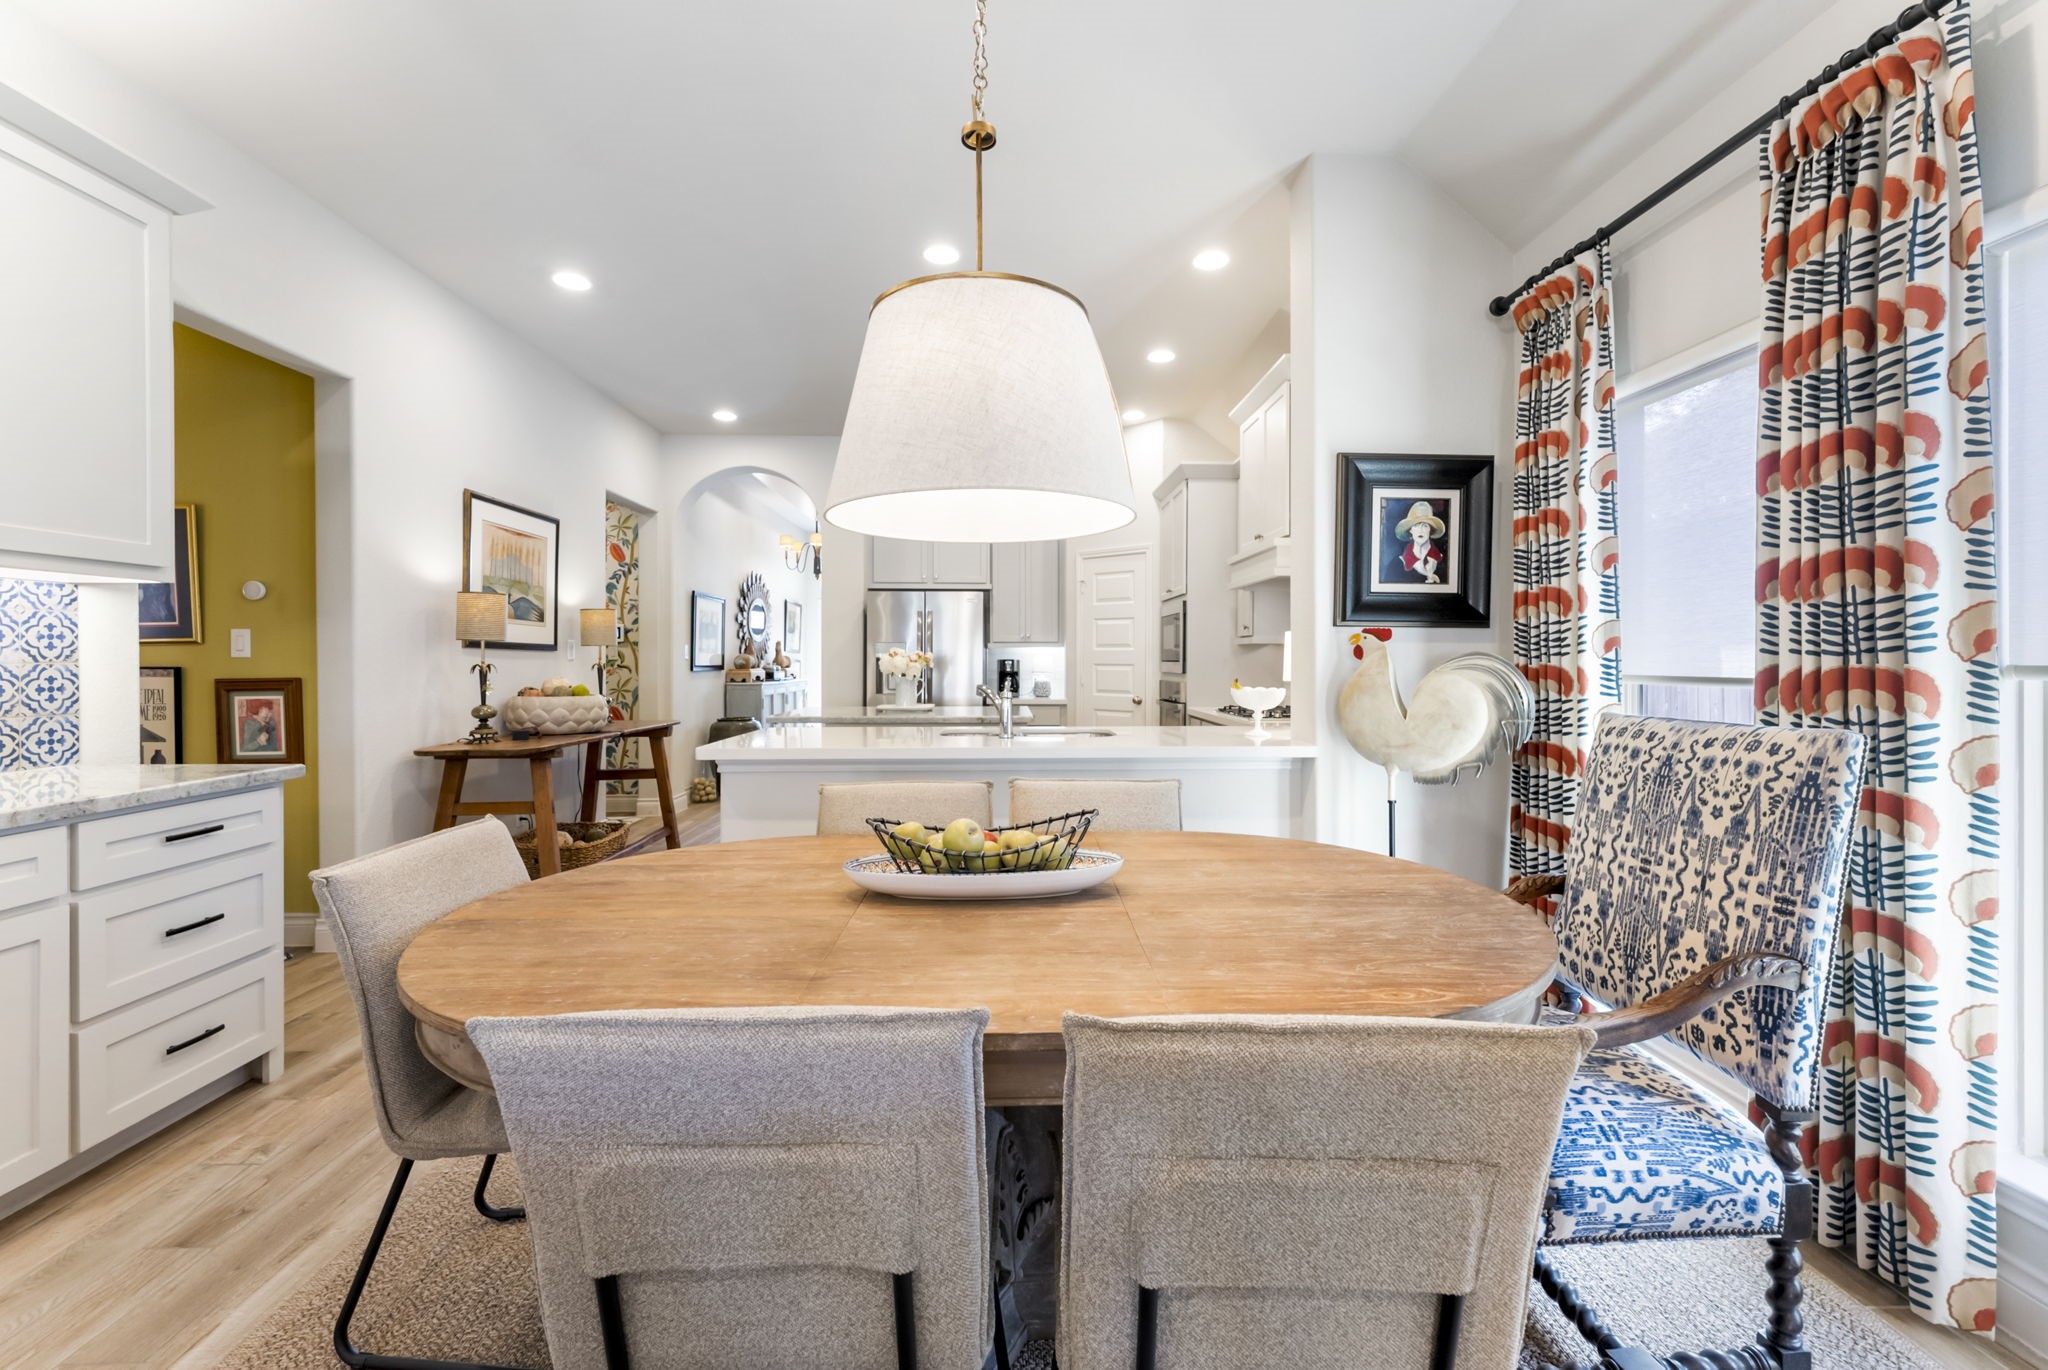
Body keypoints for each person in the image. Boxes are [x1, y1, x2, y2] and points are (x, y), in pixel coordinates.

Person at [1389, 500, 1447, 585]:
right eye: (1416, 525)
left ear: (1430, 530)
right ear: (1410, 530)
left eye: (1425, 525)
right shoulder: (1396, 565)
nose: (1420, 530)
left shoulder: (1443, 562)